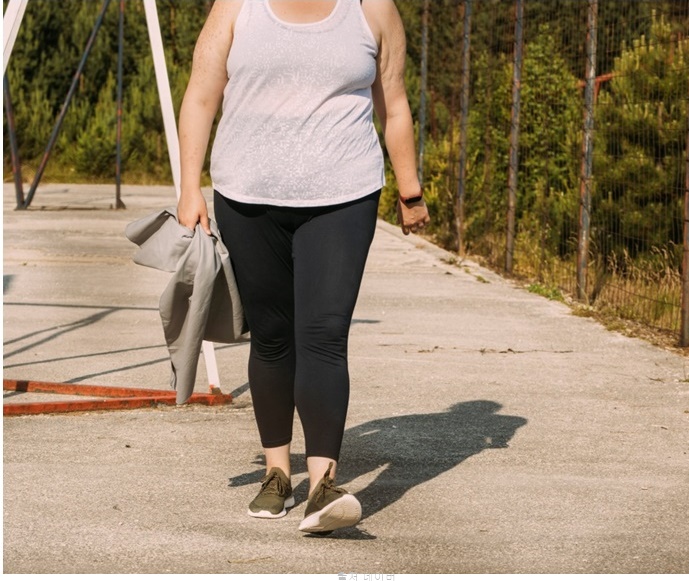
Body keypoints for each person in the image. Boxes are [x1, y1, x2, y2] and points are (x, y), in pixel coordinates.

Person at [177, 0, 430, 535]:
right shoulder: (238, 7)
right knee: (272, 335)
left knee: (324, 333)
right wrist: (188, 189)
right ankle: (276, 473)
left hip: (344, 195)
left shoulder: (372, 9)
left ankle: (322, 484)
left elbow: (396, 103)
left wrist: (410, 190)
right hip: (247, 197)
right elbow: (201, 96)